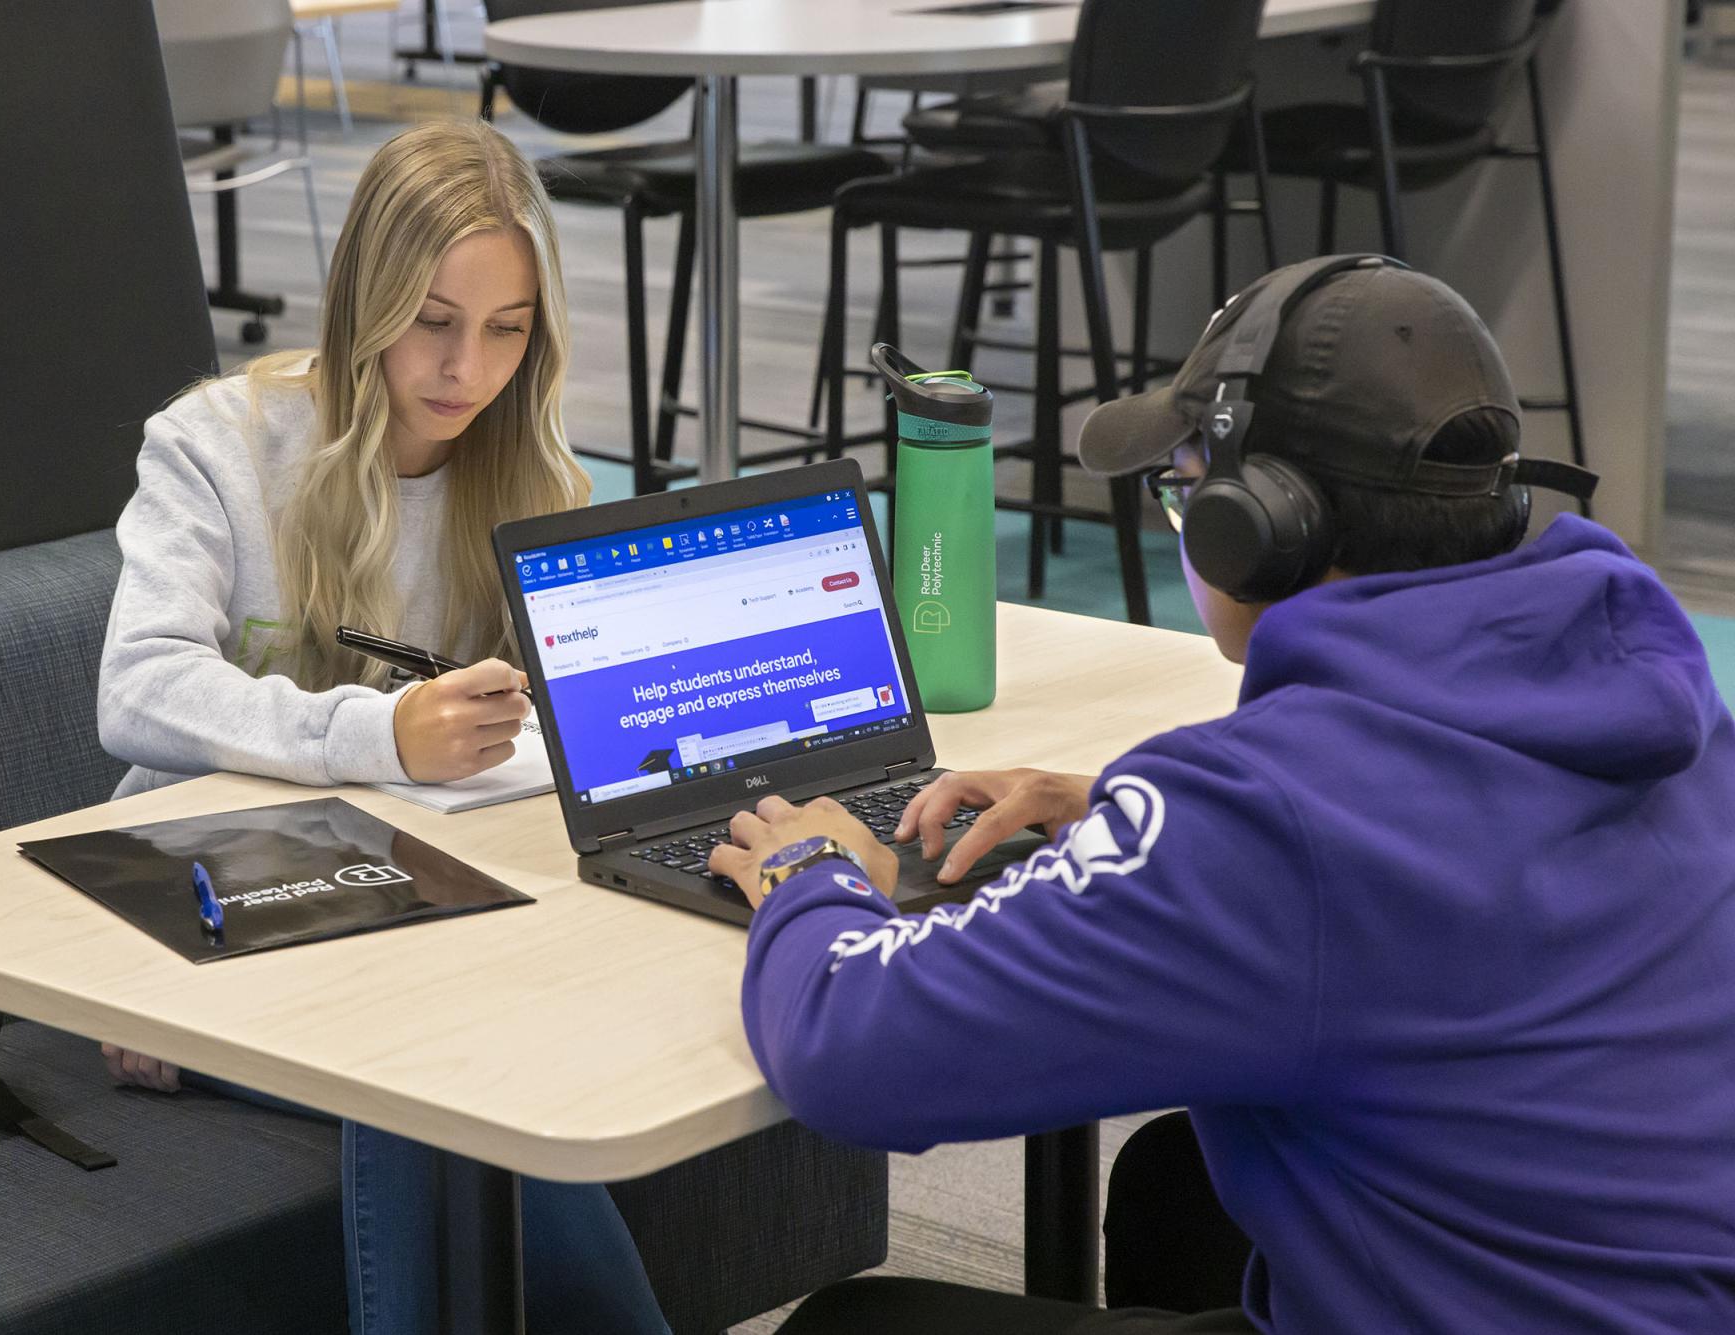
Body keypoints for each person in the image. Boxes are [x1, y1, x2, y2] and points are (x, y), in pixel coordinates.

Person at [712, 257, 1735, 1332]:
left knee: (861, 1326)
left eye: (1182, 482)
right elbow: (1446, 845)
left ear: (1253, 522)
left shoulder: (1265, 817)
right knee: (1182, 1178)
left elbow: (849, 1051)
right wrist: (1124, 807)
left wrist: (810, 871)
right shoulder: (1652, 698)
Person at [92, 120, 668, 1335]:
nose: (467, 367)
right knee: (432, 1084)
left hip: (398, 896)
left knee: (476, 1068)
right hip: (205, 883)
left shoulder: (528, 473)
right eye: (434, 319)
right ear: (366, 298)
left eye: (508, 329)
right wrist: (380, 733)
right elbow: (135, 689)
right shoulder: (219, 444)